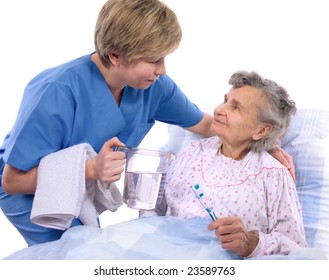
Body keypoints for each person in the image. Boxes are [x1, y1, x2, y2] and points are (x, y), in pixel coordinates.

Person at [0, 0, 293, 247]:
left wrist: (266, 143)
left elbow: (205, 124)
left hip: (80, 188)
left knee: (91, 249)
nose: (162, 69)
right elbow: (12, 181)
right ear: (115, 56)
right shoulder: (56, 90)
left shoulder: (155, 86)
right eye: (153, 60)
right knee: (78, 254)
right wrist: (91, 169)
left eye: (164, 58)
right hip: (28, 190)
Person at [156, 71, 307, 258]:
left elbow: (295, 249)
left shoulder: (273, 174)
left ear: (261, 130)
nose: (219, 109)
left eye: (235, 107)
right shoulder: (191, 153)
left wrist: (250, 243)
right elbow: (155, 212)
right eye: (225, 100)